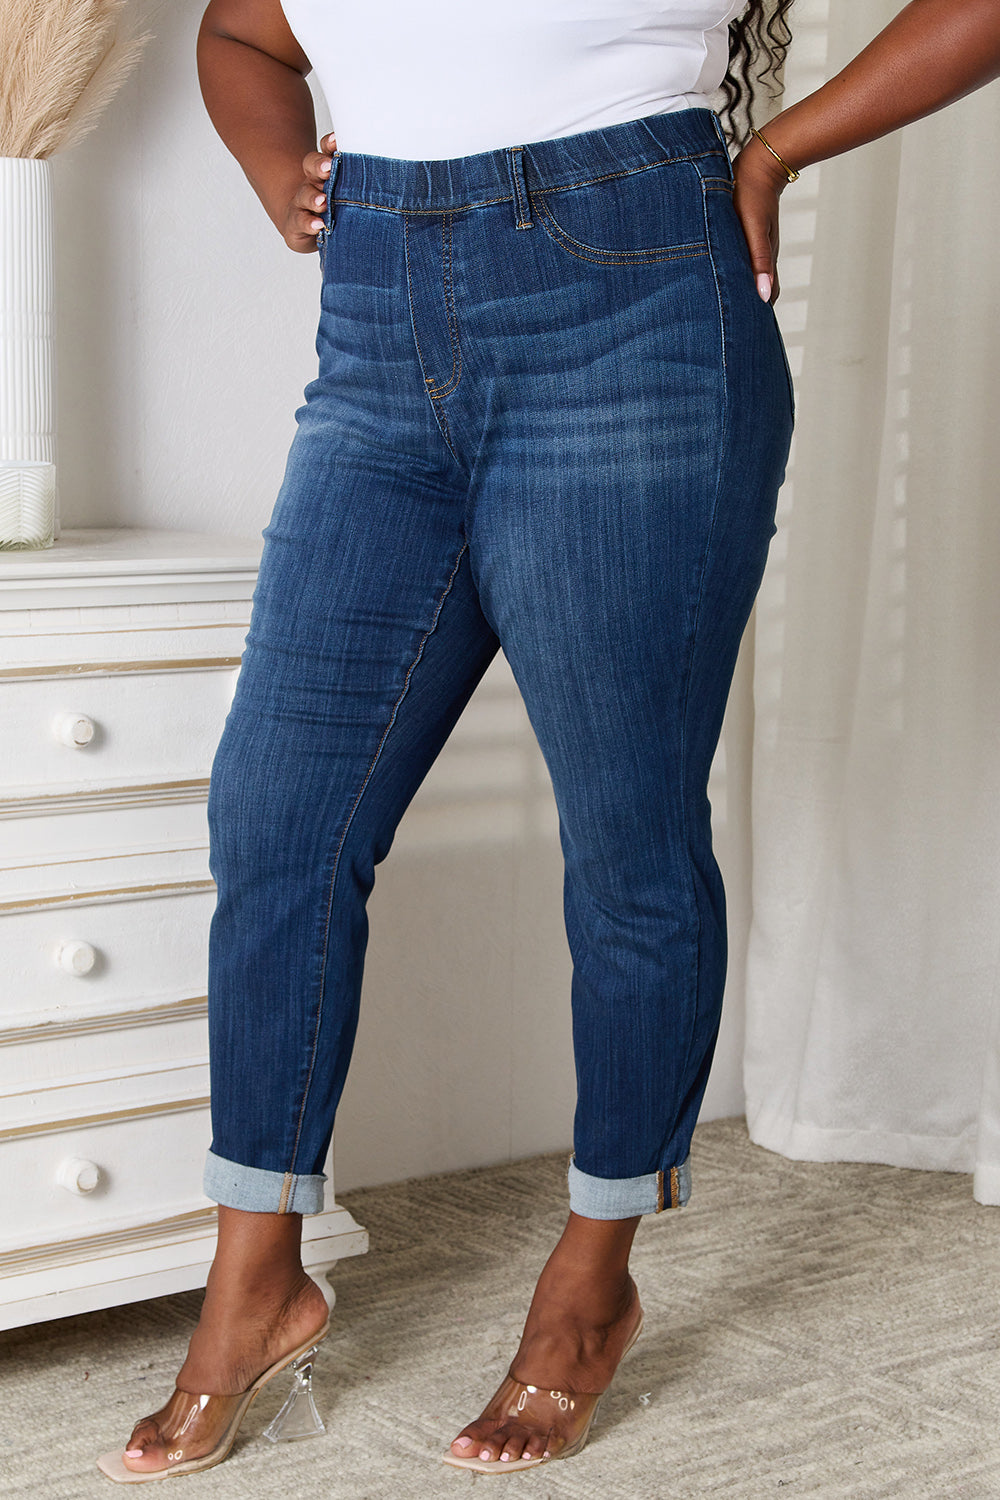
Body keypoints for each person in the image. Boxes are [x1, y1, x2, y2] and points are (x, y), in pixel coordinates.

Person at [97, 0, 1000, 1483]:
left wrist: (768, 153)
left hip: (636, 311)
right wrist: (279, 172)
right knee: (278, 821)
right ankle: (255, 1279)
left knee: (626, 841)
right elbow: (242, 34)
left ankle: (593, 1285)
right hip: (379, 334)